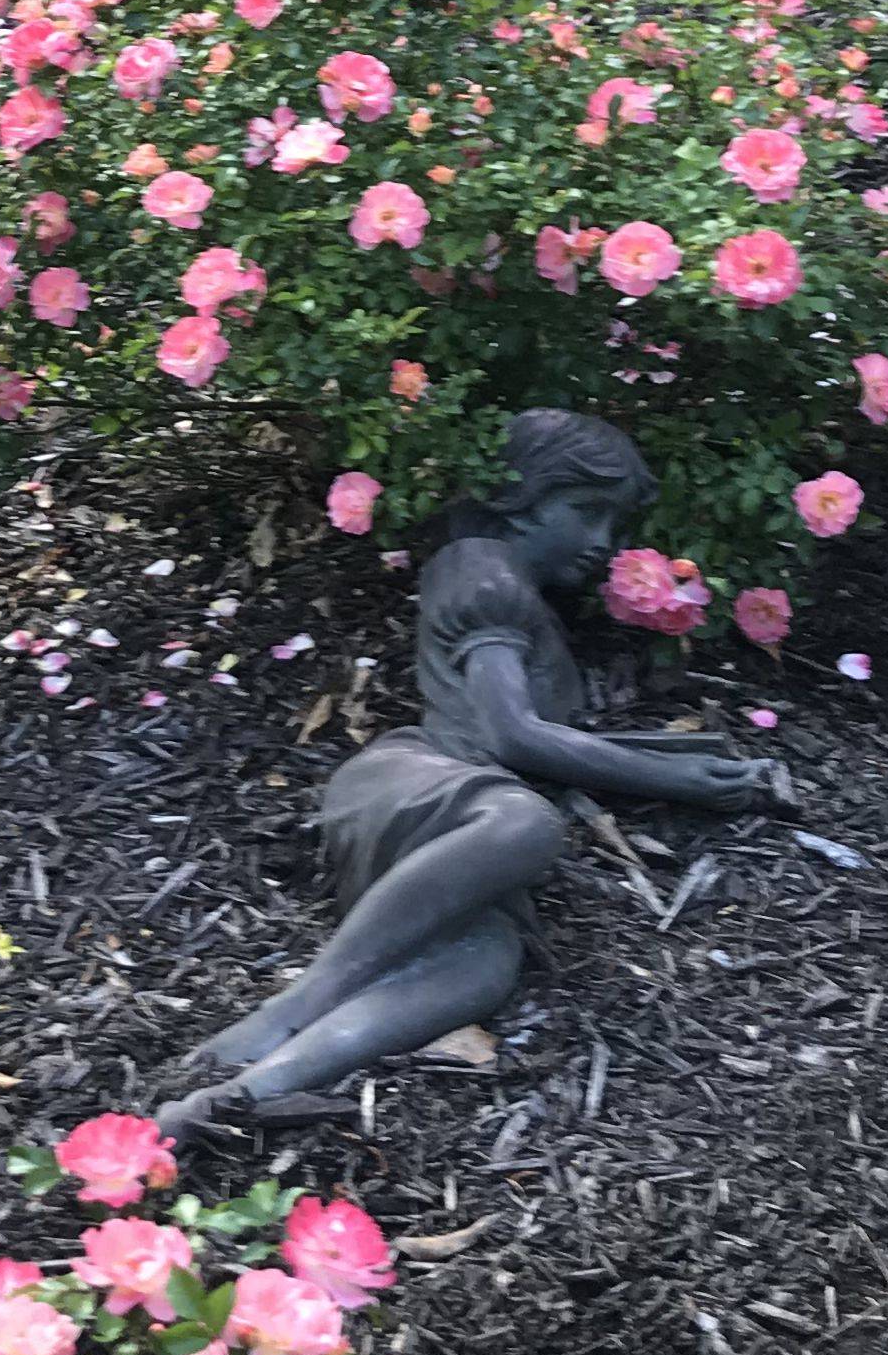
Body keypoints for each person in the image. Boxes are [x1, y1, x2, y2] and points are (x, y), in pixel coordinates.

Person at [155, 411, 787, 1131]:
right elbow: (512, 735)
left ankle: (243, 1094)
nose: (602, 542)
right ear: (518, 497)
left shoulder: (514, 595)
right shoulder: (480, 567)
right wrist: (677, 781)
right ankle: (293, 1008)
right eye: (584, 511)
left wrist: (686, 759)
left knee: (486, 962)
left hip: (452, 829)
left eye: (611, 521)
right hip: (415, 780)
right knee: (524, 823)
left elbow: (545, 737)